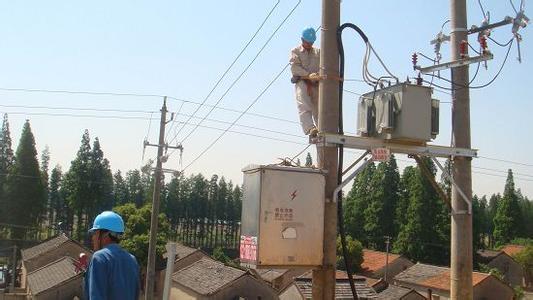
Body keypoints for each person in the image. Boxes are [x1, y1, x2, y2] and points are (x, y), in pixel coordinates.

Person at [85, 211, 140, 300]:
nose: (93, 238)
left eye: (95, 233)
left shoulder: (99, 258)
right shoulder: (132, 260)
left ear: (105, 235)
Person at [290, 27, 321, 137]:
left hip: (316, 83)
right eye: (307, 42)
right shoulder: (296, 51)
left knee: (319, 107)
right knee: (304, 104)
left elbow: (324, 66)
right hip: (302, 82)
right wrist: (308, 75)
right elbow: (294, 68)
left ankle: (321, 128)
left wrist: (317, 75)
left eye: (311, 42)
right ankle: (310, 127)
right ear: (302, 40)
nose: (309, 44)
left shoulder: (318, 52)